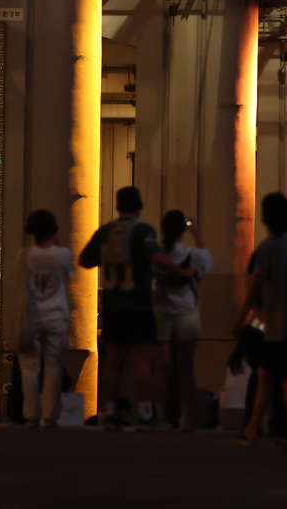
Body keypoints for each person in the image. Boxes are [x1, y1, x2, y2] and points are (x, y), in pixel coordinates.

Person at [80, 185, 194, 431]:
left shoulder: (104, 232)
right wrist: (181, 271)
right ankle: (146, 414)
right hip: (138, 306)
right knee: (143, 360)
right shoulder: (143, 231)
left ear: (118, 206)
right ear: (139, 206)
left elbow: (84, 260)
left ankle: (109, 414)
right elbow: (156, 257)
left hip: (112, 305)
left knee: (114, 361)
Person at [232, 192, 287, 447]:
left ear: (264, 216)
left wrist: (241, 319)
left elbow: (255, 286)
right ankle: (254, 428)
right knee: (268, 373)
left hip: (276, 324)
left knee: (285, 378)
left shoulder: (268, 248)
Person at [153, 210, 213, 431]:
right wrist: (195, 232)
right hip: (187, 311)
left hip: (161, 311)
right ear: (183, 230)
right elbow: (206, 261)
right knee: (186, 368)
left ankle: (160, 416)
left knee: (162, 367)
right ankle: (184, 418)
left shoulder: (157, 254)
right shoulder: (193, 254)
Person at [18, 210, 73, 428]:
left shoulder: (24, 255)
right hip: (56, 314)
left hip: (31, 315)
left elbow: (18, 283)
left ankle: (31, 414)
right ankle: (49, 416)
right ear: (52, 231)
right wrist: (56, 241)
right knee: (53, 366)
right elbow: (70, 277)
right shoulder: (62, 254)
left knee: (29, 367)